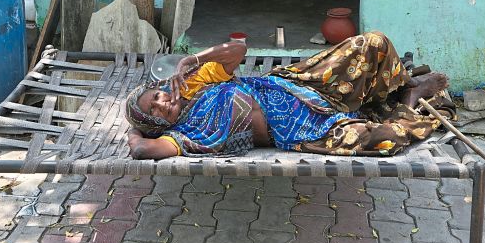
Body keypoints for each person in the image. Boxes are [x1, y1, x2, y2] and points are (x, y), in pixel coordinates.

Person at [125, 32, 453, 160]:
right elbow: (141, 149)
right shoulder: (183, 135)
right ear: (158, 124)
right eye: (155, 109)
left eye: (156, 94)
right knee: (383, 140)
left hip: (299, 85)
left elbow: (238, 49)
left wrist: (196, 58)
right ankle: (408, 101)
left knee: (372, 44)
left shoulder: (195, 83)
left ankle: (405, 84)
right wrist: (136, 128)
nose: (161, 100)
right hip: (302, 129)